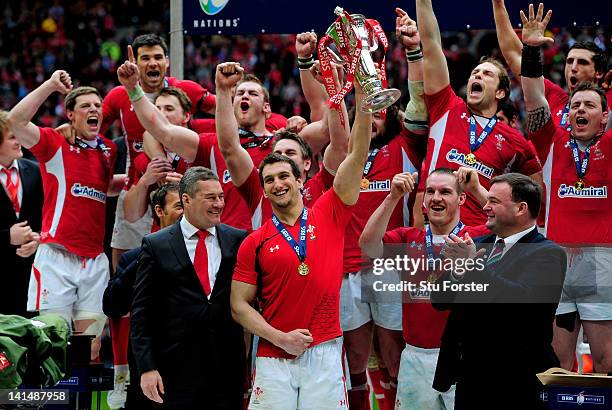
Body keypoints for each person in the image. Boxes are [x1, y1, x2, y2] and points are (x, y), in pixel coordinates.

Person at [230, 80, 373, 409]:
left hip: (324, 350)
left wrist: (364, 98)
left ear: (300, 179)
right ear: (263, 190)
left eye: (283, 176)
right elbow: (238, 306)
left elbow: (357, 153)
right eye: (269, 180)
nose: (277, 184)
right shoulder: (254, 241)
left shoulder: (329, 212)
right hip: (272, 353)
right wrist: (280, 338)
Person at [519, 3, 612, 373]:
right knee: (556, 359)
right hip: (555, 258)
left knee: (605, 360)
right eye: (575, 105)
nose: (580, 110)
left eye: (589, 105)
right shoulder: (552, 138)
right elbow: (533, 96)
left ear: (604, 116)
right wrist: (530, 49)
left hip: (602, 260)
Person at [341, 10, 426, 408]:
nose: (372, 118)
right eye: (366, 112)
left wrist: (413, 52)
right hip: (346, 265)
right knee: (356, 356)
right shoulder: (346, 155)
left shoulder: (404, 146)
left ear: (391, 113)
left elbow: (421, 99)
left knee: (392, 353)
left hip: (391, 262)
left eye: (379, 111)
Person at [8, 71, 122, 359]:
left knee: (91, 348)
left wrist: (133, 182)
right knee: (51, 344)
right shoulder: (53, 144)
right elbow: (15, 121)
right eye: (85, 106)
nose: (94, 109)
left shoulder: (108, 150)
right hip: (56, 257)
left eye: (97, 105)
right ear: (70, 114)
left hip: (95, 261)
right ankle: (52, 404)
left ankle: (80, 404)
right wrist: (50, 85)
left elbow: (102, 188)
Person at [431, 173, 566, 409]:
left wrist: (472, 265)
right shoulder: (478, 244)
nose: (485, 206)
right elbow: (440, 300)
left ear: (521, 208)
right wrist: (457, 271)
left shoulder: (548, 253)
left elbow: (519, 302)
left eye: (494, 201)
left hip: (518, 380)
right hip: (470, 377)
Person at [359, 168, 489, 410]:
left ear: (461, 199)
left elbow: (511, 224)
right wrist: (393, 197)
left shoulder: (478, 237)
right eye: (430, 191)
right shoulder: (407, 238)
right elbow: (368, 246)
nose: (436, 197)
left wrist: (476, 189)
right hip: (416, 357)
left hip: (465, 357)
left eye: (445, 192)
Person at [414, 0, 542, 228]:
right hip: (435, 230)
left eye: (487, 75)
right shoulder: (446, 107)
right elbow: (431, 44)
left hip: (483, 236)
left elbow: (535, 199)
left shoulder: (516, 142)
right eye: (475, 73)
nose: (477, 77)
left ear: (501, 92)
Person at [130, 167, 247, 409]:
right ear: (186, 199)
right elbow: (141, 313)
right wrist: (147, 368)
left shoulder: (237, 240)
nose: (218, 204)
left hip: (226, 370)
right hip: (173, 372)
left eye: (221, 196)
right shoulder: (155, 245)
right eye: (210, 197)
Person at [101, 34, 215, 269]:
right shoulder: (119, 95)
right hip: (138, 185)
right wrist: (66, 132)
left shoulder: (185, 90)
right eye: (145, 58)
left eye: (157, 57)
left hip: (181, 188)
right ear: (136, 62)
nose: (152, 63)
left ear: (167, 61)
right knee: (125, 263)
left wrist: (274, 121)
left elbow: (227, 111)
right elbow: (91, 130)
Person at [103, 183, 182, 410]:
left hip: (194, 369)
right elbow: (112, 306)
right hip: (150, 367)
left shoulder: (208, 252)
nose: (185, 213)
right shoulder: (135, 258)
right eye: (178, 206)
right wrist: (147, 256)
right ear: (159, 211)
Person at [492, 0, 611, 129]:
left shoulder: (609, 101)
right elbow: (517, 55)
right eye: (569, 62)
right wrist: (498, 4)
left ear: (598, 72)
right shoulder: (554, 98)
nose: (573, 68)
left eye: (582, 62)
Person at [0, 110, 43, 317]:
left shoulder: (36, 171)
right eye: (12, 137)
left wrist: (38, 239)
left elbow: (47, 218)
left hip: (30, 278)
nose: (19, 141)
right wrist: (7, 236)